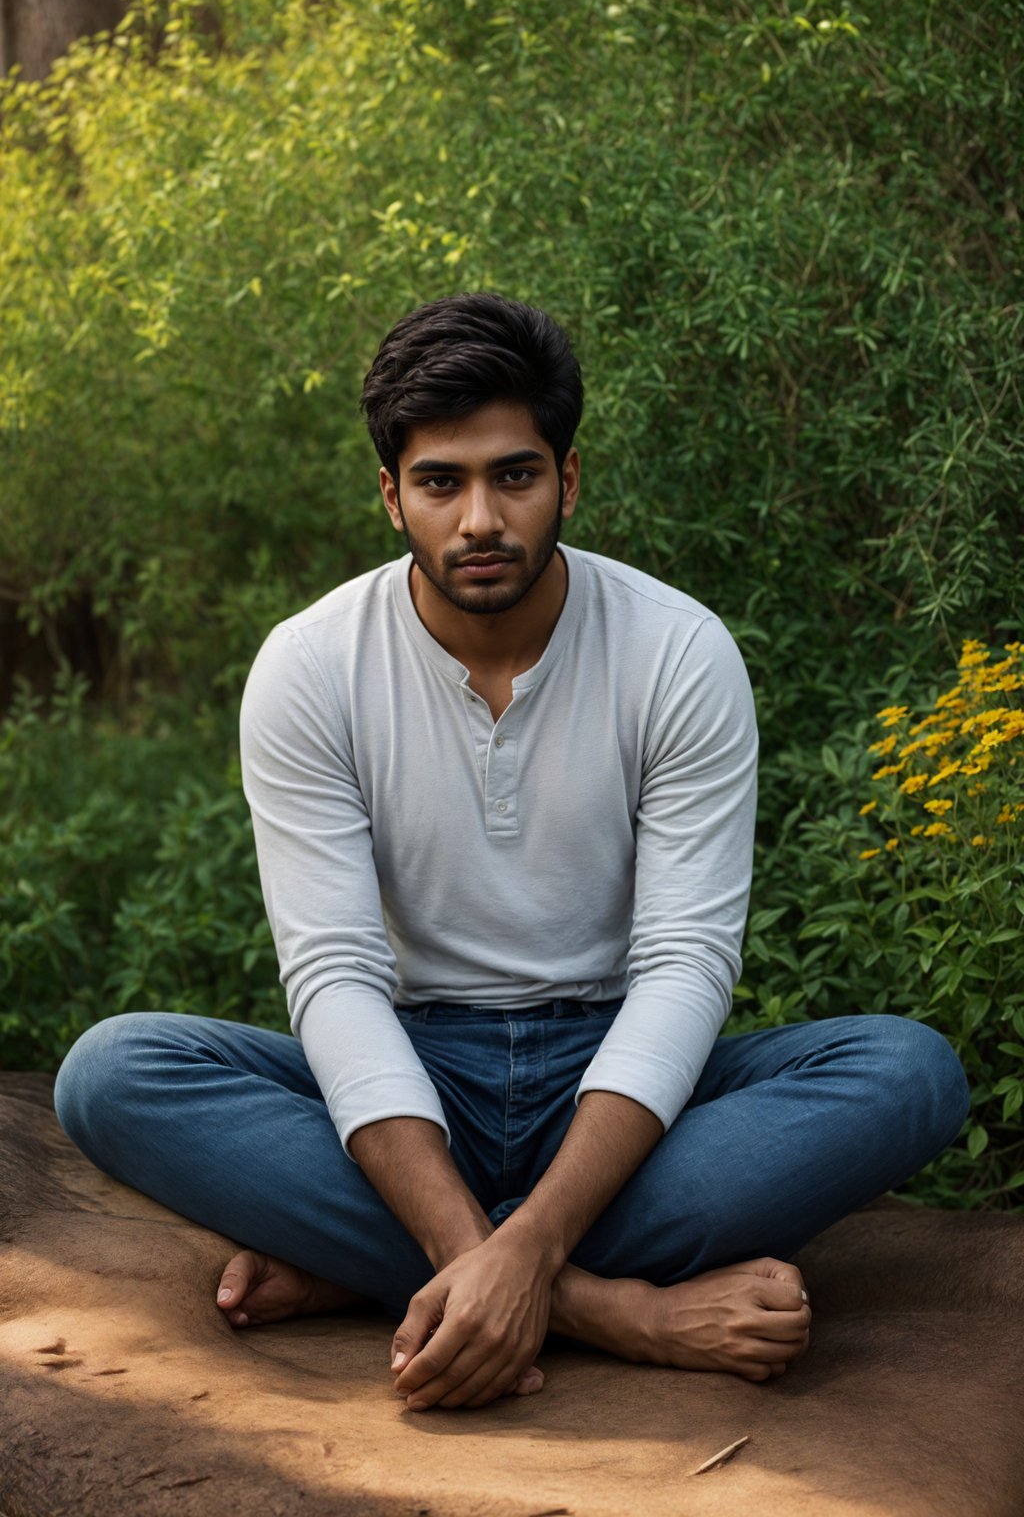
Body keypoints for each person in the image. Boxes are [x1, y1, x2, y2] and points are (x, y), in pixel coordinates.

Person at [54, 292, 969, 1414]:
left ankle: (395, 1270)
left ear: (567, 482)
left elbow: (684, 965)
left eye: (514, 475)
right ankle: (599, 1304)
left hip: (617, 1082)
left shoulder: (677, 652)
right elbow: (335, 976)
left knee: (906, 1071)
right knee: (115, 1071)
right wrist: (575, 1287)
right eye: (441, 481)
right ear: (392, 496)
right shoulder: (310, 666)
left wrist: (530, 1233)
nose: (479, 517)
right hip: (415, 1066)